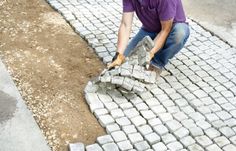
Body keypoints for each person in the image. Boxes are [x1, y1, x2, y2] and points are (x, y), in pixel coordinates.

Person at [108, 0, 190, 74]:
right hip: (149, 30)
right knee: (126, 61)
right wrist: (118, 55)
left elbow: (165, 30)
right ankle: (155, 49)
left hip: (171, 28)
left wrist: (149, 54)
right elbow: (125, 25)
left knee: (180, 34)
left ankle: (157, 63)